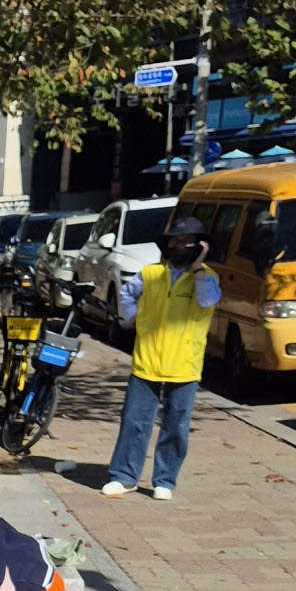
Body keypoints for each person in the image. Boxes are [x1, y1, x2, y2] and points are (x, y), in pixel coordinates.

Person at [101, 213, 221, 501]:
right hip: (148, 359)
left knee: (176, 425)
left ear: (200, 246)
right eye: (176, 241)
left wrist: (198, 268)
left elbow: (208, 300)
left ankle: (165, 480)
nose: (180, 246)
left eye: (188, 242)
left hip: (185, 363)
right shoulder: (151, 273)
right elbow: (126, 295)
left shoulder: (207, 278)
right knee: (134, 421)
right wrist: (135, 318)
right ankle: (124, 477)